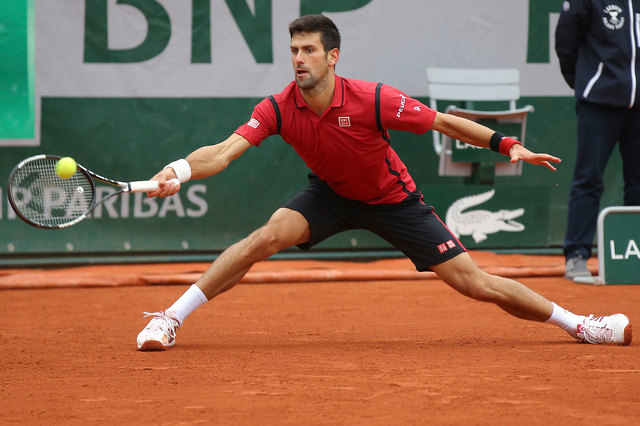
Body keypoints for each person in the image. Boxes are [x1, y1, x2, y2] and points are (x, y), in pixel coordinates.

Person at [137, 14, 632, 350]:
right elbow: (222, 152)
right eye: (293, 50)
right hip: (329, 195)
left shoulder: (373, 98)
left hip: (394, 201)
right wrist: (178, 171)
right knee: (262, 238)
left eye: (309, 50)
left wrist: (508, 146)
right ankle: (171, 317)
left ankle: (581, 325)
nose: (298, 59)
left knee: (474, 283)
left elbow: (443, 122)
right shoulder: (277, 107)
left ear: (333, 57)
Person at [555, 0, 640, 281]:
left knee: (638, 183)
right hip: (599, 102)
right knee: (589, 179)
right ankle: (577, 255)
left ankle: (633, 256)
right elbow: (565, 42)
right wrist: (584, 81)